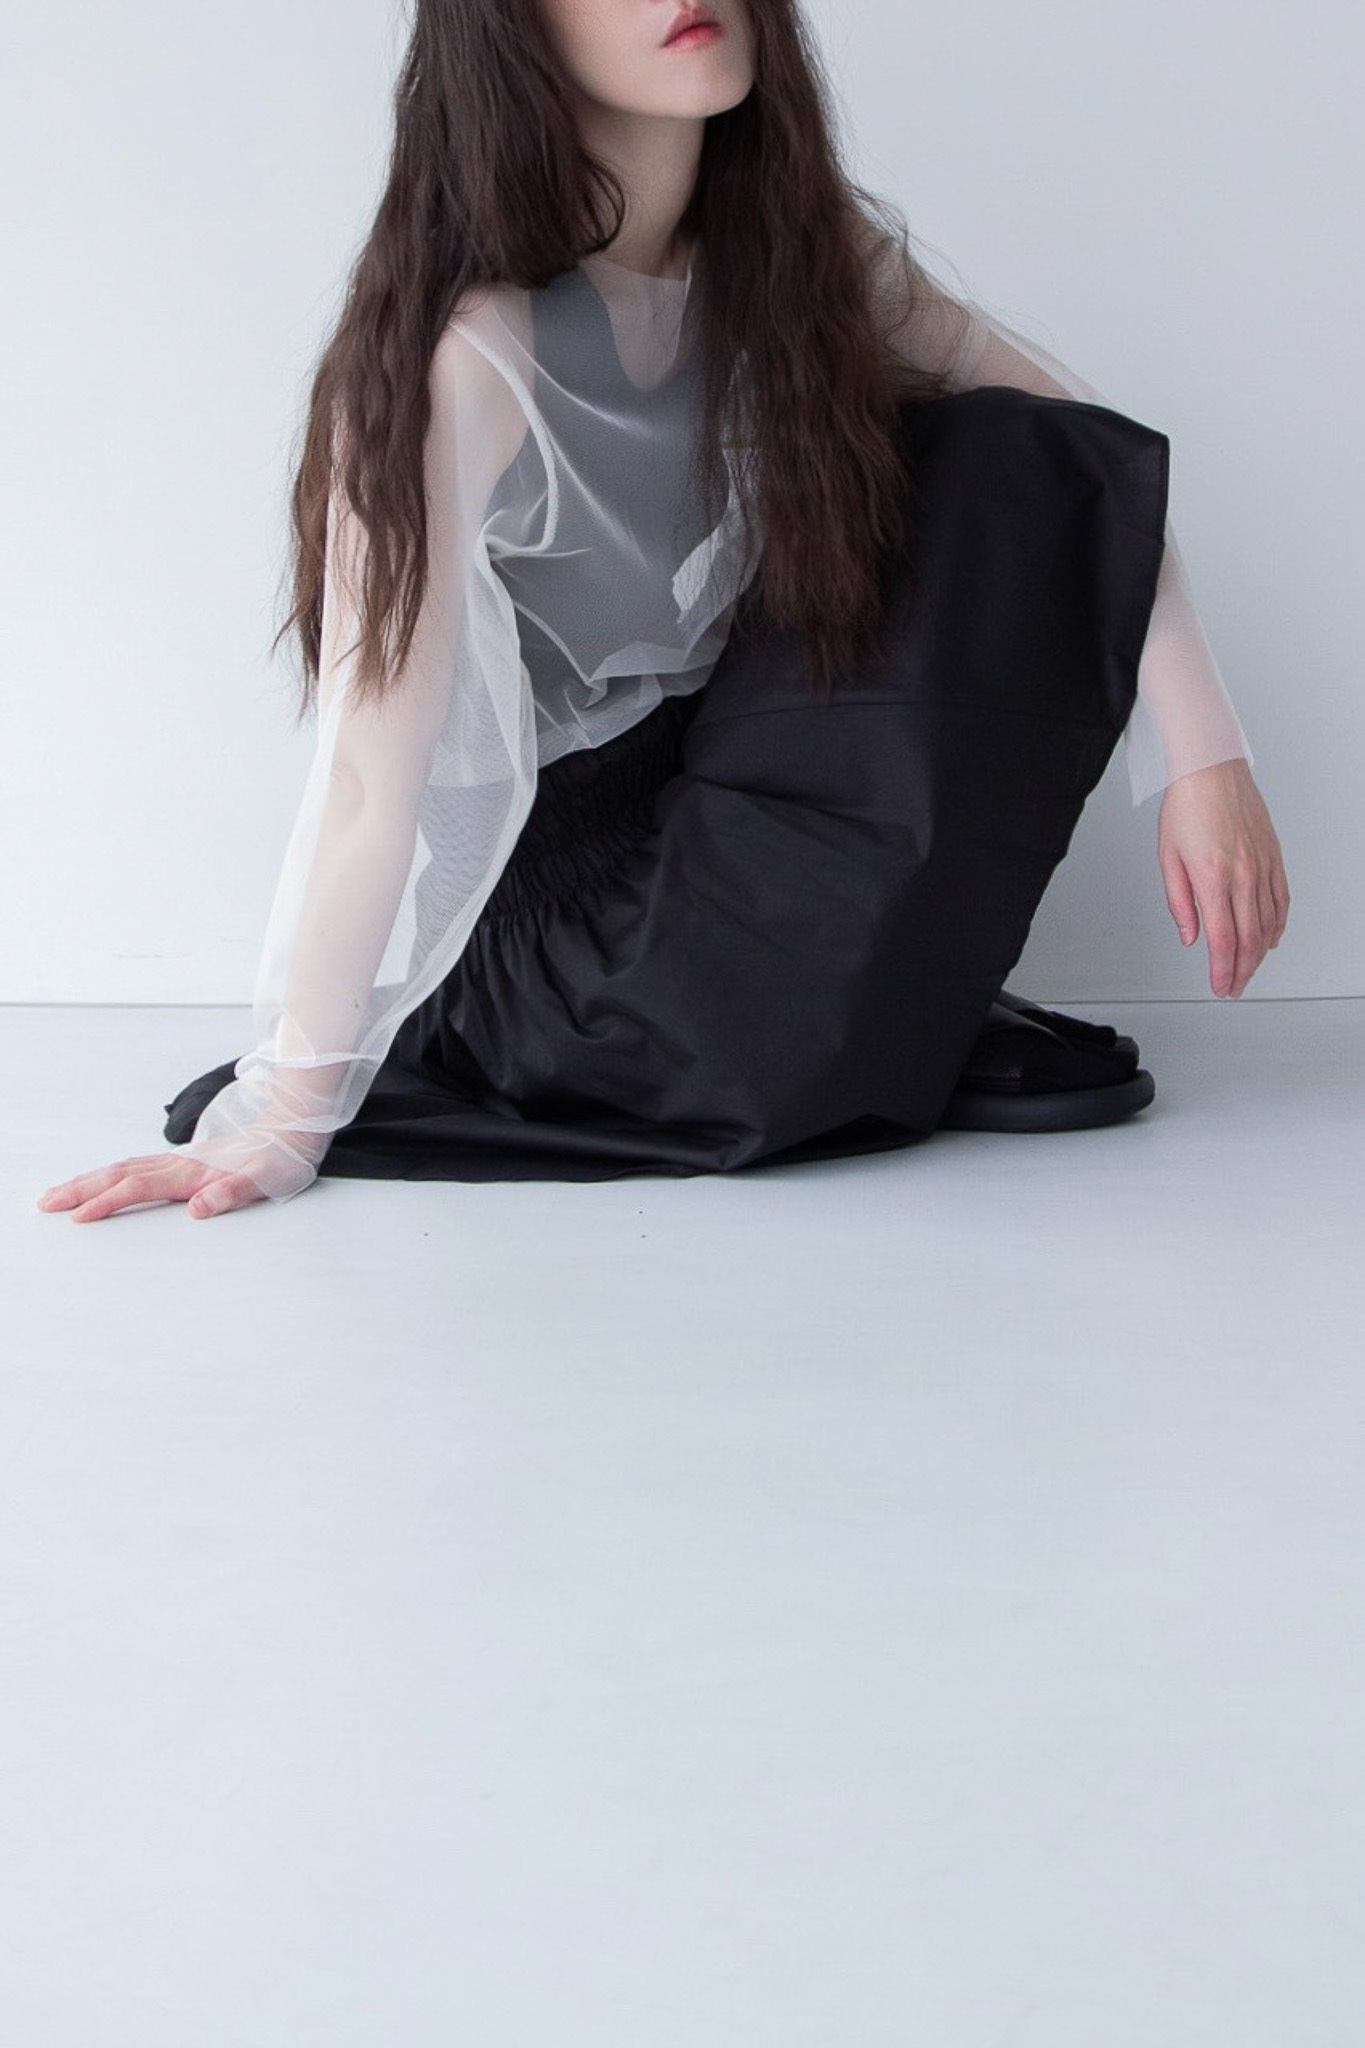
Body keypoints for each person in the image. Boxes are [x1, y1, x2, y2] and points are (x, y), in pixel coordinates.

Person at [37, 0, 1288, 1226]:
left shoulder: (796, 254)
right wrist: (289, 1110)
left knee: (994, 457)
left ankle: (867, 1008)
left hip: (720, 806)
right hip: (575, 948)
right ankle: (846, 1015)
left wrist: (1203, 754)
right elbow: (369, 780)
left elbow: (1072, 450)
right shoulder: (471, 354)